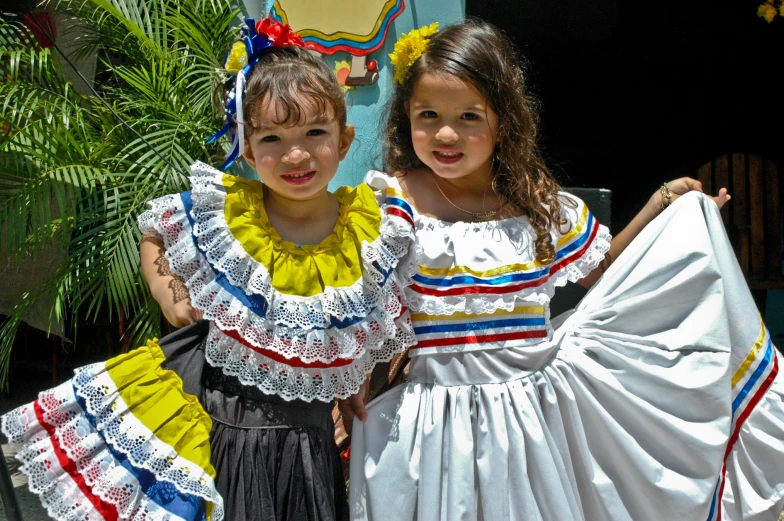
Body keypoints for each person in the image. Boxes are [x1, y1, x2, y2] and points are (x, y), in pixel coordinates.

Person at [347, 20, 784, 521]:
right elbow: (370, 307)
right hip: (434, 423)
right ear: (406, 117)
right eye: (429, 115)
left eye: (469, 116)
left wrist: (663, 205)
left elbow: (604, 274)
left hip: (533, 424)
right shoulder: (393, 201)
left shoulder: (537, 206)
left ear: (503, 121)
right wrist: (356, 375)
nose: (446, 133)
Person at [2, 17, 416, 521]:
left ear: (345, 140)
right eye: (271, 139)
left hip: (310, 445)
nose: (296, 153)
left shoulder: (369, 230)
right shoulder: (223, 218)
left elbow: (360, 325)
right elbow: (153, 229)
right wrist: (169, 293)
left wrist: (350, 381)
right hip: (226, 437)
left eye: (315, 132)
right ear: (245, 145)